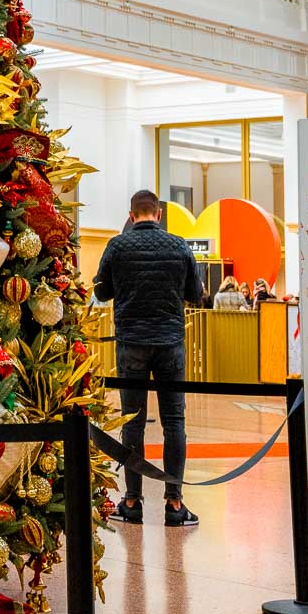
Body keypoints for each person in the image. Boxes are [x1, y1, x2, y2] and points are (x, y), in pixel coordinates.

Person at [93, 188, 204, 528]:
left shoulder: (116, 246)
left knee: (133, 422)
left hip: (131, 344)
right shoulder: (179, 245)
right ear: (158, 214)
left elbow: (100, 291)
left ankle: (132, 501)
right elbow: (196, 294)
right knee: (174, 423)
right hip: (171, 343)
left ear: (131, 215)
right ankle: (174, 503)